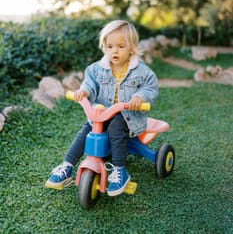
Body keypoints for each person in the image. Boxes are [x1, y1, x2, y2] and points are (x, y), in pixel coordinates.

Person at [45, 20, 159, 196]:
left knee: (116, 128)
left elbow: (150, 87)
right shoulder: (96, 69)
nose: (115, 50)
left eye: (121, 46)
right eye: (110, 46)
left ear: (132, 47)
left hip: (127, 114)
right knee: (86, 131)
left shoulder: (142, 72)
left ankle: (120, 170)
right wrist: (83, 91)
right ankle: (67, 166)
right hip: (102, 113)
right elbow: (90, 84)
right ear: (104, 46)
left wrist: (139, 97)